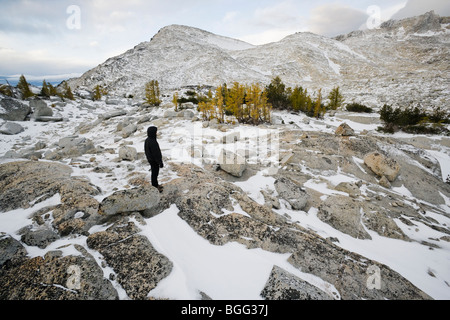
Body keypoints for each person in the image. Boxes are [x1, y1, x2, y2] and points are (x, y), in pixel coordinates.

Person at [144, 126, 164, 193]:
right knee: (155, 173)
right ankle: (155, 187)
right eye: (155, 132)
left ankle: (155, 184)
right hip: (154, 161)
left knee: (154, 173)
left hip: (151, 160)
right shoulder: (152, 142)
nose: (156, 133)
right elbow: (156, 153)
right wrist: (160, 162)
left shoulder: (148, 140)